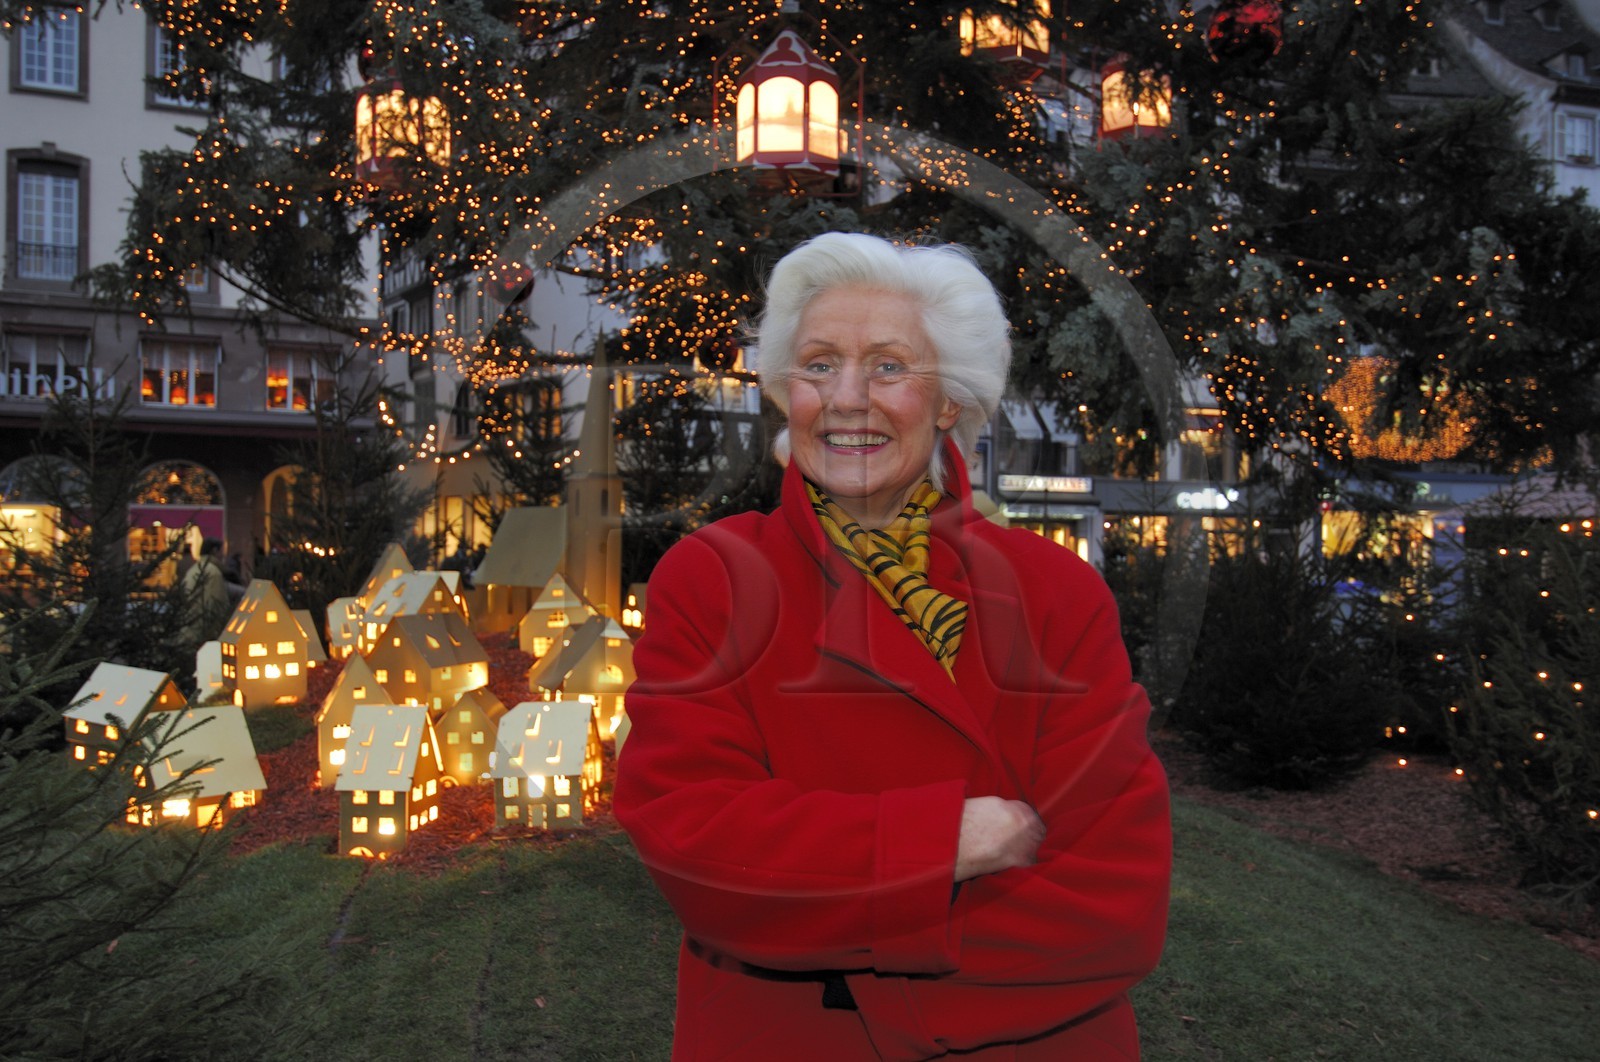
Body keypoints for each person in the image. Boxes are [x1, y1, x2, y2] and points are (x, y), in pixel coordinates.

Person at [613, 233, 1172, 1060]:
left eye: (887, 366)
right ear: (787, 392)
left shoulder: (1057, 592)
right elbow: (703, 855)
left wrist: (854, 958)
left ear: (947, 401)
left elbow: (1113, 902)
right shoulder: (714, 579)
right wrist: (945, 843)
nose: (847, 398)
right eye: (818, 365)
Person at [180, 537, 231, 645]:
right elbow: (217, 603)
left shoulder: (194, 569)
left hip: (190, 626)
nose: (223, 555)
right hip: (202, 631)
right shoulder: (213, 572)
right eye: (222, 551)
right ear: (215, 551)